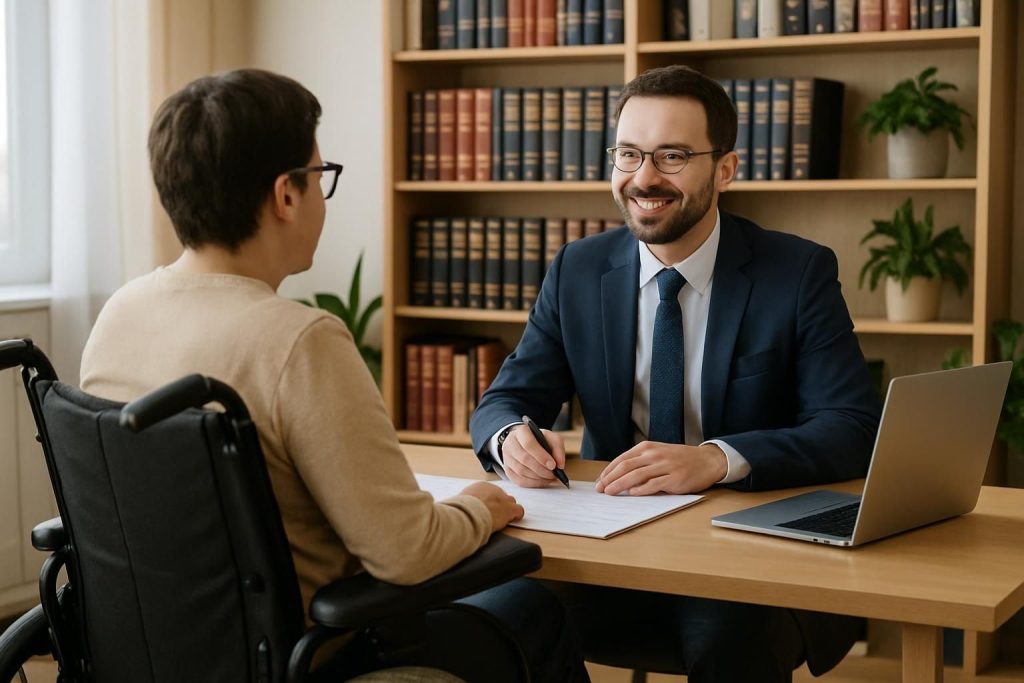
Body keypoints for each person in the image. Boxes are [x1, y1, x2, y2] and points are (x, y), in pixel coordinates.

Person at [80, 68, 588, 683]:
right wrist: (481, 506)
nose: (322, 195)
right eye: (321, 177)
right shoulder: (298, 340)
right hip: (311, 659)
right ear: (286, 196)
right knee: (533, 608)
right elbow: (407, 552)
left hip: (163, 655)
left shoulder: (119, 314)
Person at [469, 65, 883, 681]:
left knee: (730, 636)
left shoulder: (795, 273)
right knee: (491, 614)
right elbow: (505, 399)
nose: (644, 179)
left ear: (725, 170)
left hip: (744, 557)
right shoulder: (578, 269)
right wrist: (510, 441)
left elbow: (852, 427)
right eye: (629, 154)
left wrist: (718, 458)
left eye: (671, 156)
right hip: (610, 545)